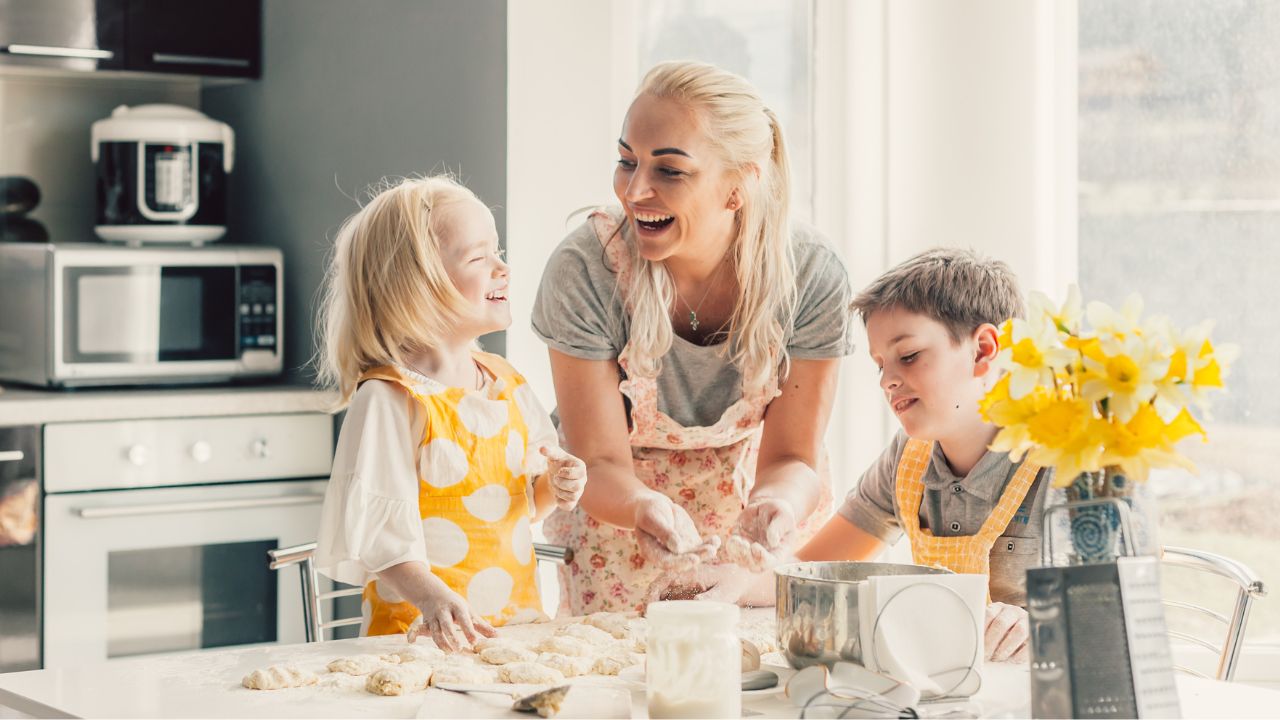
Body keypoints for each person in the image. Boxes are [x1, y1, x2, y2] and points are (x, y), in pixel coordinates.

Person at [532, 61, 854, 614]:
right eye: (626, 161)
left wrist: (777, 503)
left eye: (670, 171)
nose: (635, 191)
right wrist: (642, 508)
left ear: (739, 185)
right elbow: (598, 460)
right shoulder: (586, 269)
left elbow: (794, 457)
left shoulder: (810, 274)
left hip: (748, 532)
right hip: (620, 523)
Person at [714, 248, 1056, 663]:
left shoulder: (1065, 458)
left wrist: (1042, 623)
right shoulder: (908, 458)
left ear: (983, 350)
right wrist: (731, 584)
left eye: (908, 356)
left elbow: (1119, 612)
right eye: (880, 365)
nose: (888, 381)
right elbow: (812, 569)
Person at [313, 176, 587, 651]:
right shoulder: (390, 398)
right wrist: (435, 601)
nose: (502, 267)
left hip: (511, 634)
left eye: (497, 250)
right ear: (416, 287)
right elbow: (379, 539)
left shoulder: (506, 384)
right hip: (417, 642)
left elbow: (521, 507)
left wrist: (555, 486)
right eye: (479, 257)